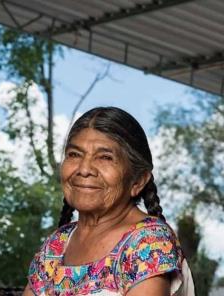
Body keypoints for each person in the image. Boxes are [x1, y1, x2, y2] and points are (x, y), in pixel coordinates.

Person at [23, 107, 194, 296]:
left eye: (105, 157)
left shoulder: (148, 243)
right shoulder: (57, 244)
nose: (84, 169)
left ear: (137, 181)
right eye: (74, 154)